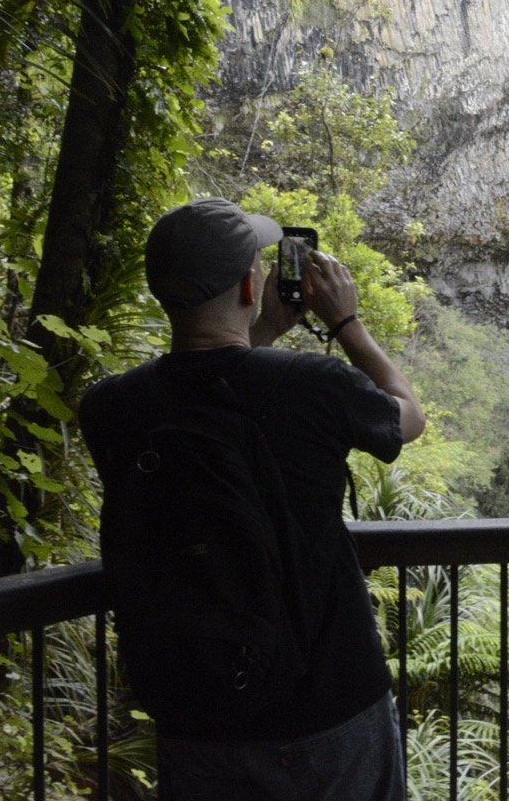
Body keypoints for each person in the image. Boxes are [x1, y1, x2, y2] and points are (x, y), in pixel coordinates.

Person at [82, 197, 427, 800]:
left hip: (196, 712)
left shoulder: (112, 408)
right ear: (250, 283)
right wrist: (347, 324)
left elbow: (209, 386)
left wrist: (260, 330)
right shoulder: (311, 386)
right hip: (327, 704)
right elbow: (407, 418)